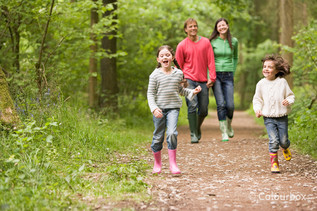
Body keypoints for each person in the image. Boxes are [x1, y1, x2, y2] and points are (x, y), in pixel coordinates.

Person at [147, 45, 202, 174]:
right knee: (158, 137)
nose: (165, 57)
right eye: (162, 56)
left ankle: (173, 164)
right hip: (159, 110)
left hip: (173, 109)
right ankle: (157, 163)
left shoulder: (178, 73)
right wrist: (154, 108)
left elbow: (180, 90)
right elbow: (150, 94)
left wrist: (192, 92)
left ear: (172, 57)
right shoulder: (154, 75)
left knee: (172, 133)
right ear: (158, 59)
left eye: (167, 55)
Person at [175, 18, 216, 144]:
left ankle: (197, 127)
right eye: (190, 26)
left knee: (203, 109)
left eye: (195, 26)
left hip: (203, 80)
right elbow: (178, 65)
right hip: (189, 79)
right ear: (185, 29)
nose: (193, 28)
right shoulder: (182, 45)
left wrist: (212, 77)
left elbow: (211, 60)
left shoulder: (205, 42)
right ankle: (193, 133)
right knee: (192, 105)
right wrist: (181, 80)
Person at [253, 55, 295, 173]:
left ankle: (285, 147)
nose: (266, 69)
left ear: (277, 70)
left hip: (282, 117)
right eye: (264, 66)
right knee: (273, 140)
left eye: (270, 67)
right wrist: (258, 109)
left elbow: (291, 95)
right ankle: (274, 163)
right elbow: (257, 99)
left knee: (283, 140)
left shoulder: (282, 82)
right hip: (268, 117)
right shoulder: (260, 84)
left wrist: (288, 101)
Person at [209, 18, 238, 142]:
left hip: (228, 75)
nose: (221, 27)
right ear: (216, 28)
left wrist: (233, 70)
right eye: (219, 26)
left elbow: (235, 57)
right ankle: (224, 132)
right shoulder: (213, 42)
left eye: (223, 25)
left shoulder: (234, 41)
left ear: (227, 26)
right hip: (216, 75)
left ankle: (229, 125)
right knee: (220, 104)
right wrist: (209, 76)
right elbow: (208, 60)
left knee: (230, 105)